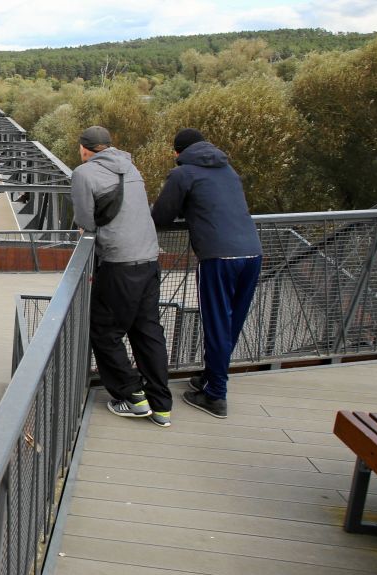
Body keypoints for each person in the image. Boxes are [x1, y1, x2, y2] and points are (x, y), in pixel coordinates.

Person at [151, 128, 261, 419]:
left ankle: (215, 397)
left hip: (218, 256)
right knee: (232, 323)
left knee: (216, 324)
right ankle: (210, 377)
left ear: (178, 152)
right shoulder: (228, 169)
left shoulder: (183, 174)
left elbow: (160, 216)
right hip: (253, 252)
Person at [72, 126, 172, 427]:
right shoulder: (131, 166)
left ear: (84, 149)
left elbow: (86, 220)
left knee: (104, 331)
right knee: (147, 331)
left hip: (119, 262)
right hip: (149, 260)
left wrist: (88, 231)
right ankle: (162, 406)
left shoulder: (83, 174)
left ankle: (132, 396)